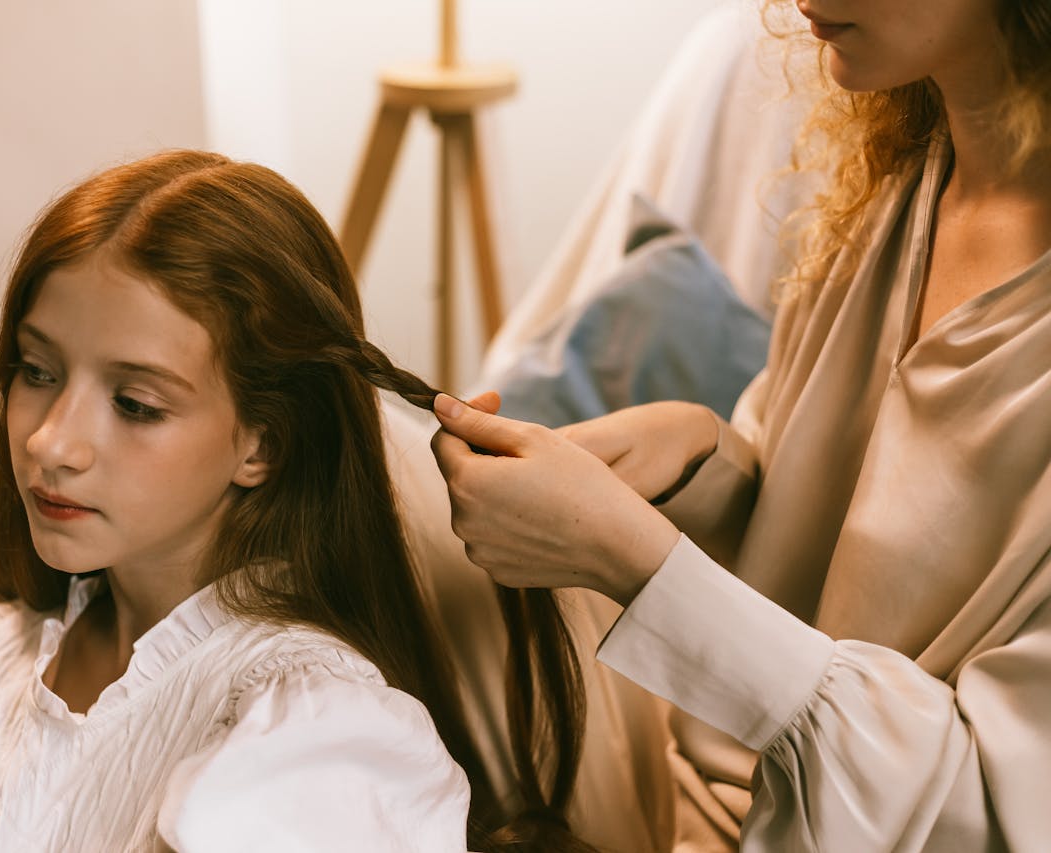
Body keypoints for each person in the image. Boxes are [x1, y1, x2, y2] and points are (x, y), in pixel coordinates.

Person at [0, 151, 591, 852]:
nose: (52, 442)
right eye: (37, 370)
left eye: (136, 404)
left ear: (260, 443)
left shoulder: (313, 727)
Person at [431, 0, 1051, 850]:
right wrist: (700, 463)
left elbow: (990, 812)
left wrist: (636, 562)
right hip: (689, 800)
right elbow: (816, 565)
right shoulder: (898, 188)